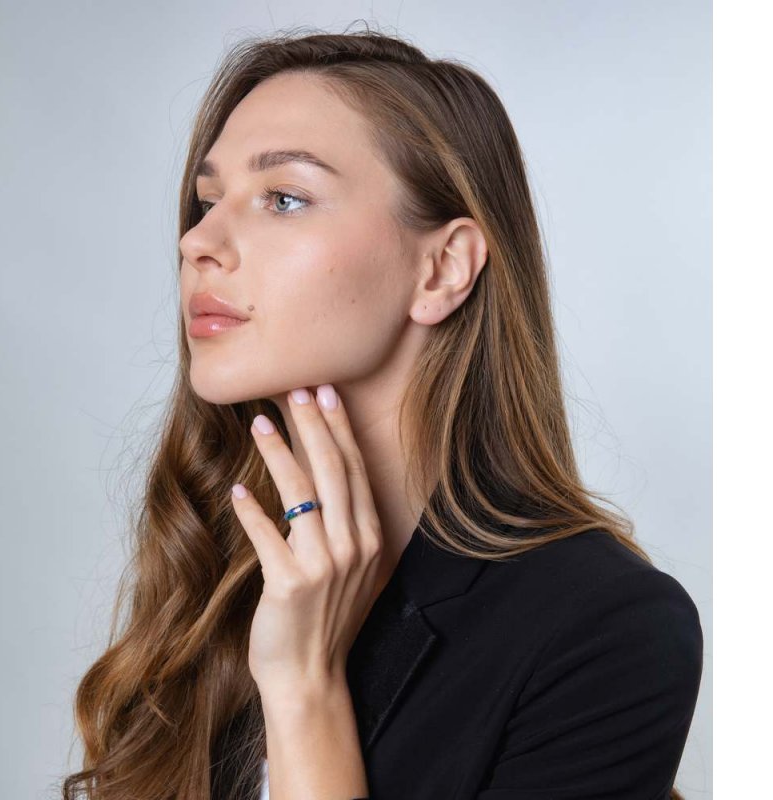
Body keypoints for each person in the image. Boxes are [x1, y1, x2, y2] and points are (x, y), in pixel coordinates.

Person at [62, 26, 703, 800]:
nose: (199, 241)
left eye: (284, 198)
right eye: (205, 202)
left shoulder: (602, 628)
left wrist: (305, 690)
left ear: (442, 268)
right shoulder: (217, 571)